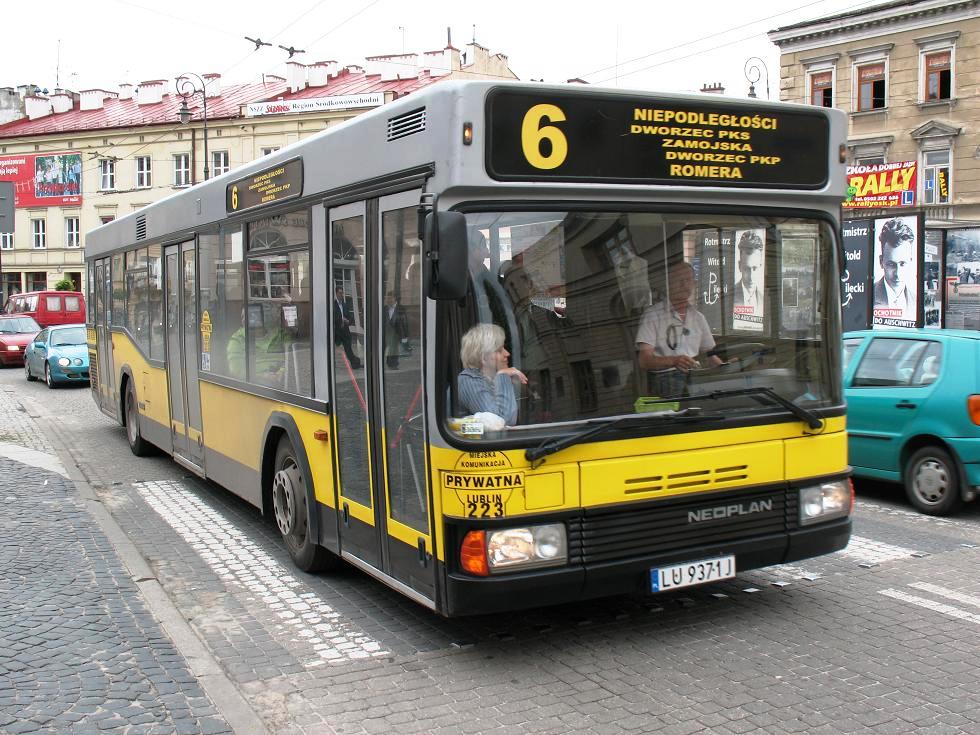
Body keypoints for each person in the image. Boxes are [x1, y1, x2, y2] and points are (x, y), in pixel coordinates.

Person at [636, 261, 723, 395]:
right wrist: (674, 361)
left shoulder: (698, 317)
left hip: (694, 382)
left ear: (694, 284)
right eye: (679, 280)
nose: (684, 284)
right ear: (669, 283)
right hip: (664, 384)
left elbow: (711, 357)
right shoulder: (652, 315)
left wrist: (727, 368)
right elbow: (644, 360)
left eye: (688, 280)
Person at [457, 323, 527, 426]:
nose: (507, 354)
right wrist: (503, 376)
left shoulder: (489, 380)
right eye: (499, 350)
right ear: (484, 358)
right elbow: (504, 423)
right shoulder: (468, 381)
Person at [872, 218, 915, 318]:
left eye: (903, 264)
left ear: (911, 261)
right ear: (881, 262)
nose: (898, 274)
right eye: (891, 264)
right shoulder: (867, 296)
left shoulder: (916, 299)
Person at [333, 285, 361, 369]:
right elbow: (332, 317)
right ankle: (329, 364)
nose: (341, 295)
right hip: (336, 331)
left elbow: (349, 316)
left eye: (342, 293)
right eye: (339, 293)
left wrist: (348, 321)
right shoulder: (333, 305)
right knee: (331, 348)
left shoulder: (344, 305)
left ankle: (355, 363)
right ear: (336, 293)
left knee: (348, 348)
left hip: (345, 330)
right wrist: (341, 320)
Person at [733, 231, 764, 308]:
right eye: (747, 269)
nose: (751, 277)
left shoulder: (763, 300)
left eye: (755, 268)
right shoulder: (729, 297)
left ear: (760, 266)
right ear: (739, 266)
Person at [383, 290, 409, 369]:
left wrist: (405, 335)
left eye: (390, 298)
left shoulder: (401, 308)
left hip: (397, 331)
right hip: (386, 331)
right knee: (386, 347)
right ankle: (388, 362)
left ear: (395, 299)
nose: (388, 300)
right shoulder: (384, 308)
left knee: (394, 348)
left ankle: (393, 364)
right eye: (387, 298)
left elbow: (404, 322)